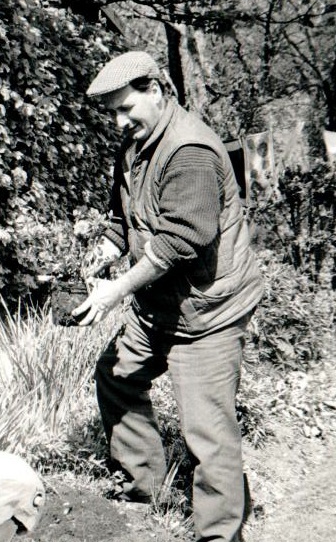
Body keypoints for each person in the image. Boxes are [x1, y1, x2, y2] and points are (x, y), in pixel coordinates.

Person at [73, 51, 264, 542]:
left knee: (207, 430)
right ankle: (145, 490)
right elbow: (126, 218)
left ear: (156, 91)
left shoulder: (190, 150)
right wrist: (104, 252)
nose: (119, 121)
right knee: (116, 375)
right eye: (112, 112)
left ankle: (221, 535)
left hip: (209, 310)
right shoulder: (136, 143)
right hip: (160, 304)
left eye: (125, 107)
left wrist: (116, 290)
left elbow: (181, 240)